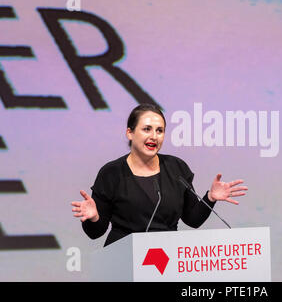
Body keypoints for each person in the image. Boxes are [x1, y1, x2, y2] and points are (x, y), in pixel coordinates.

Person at [71, 104, 248, 247]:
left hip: (168, 259)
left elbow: (192, 220)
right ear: (130, 133)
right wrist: (94, 217)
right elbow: (95, 233)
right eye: (147, 129)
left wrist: (209, 198)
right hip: (124, 259)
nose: (154, 136)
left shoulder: (176, 168)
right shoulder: (111, 173)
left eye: (159, 130)